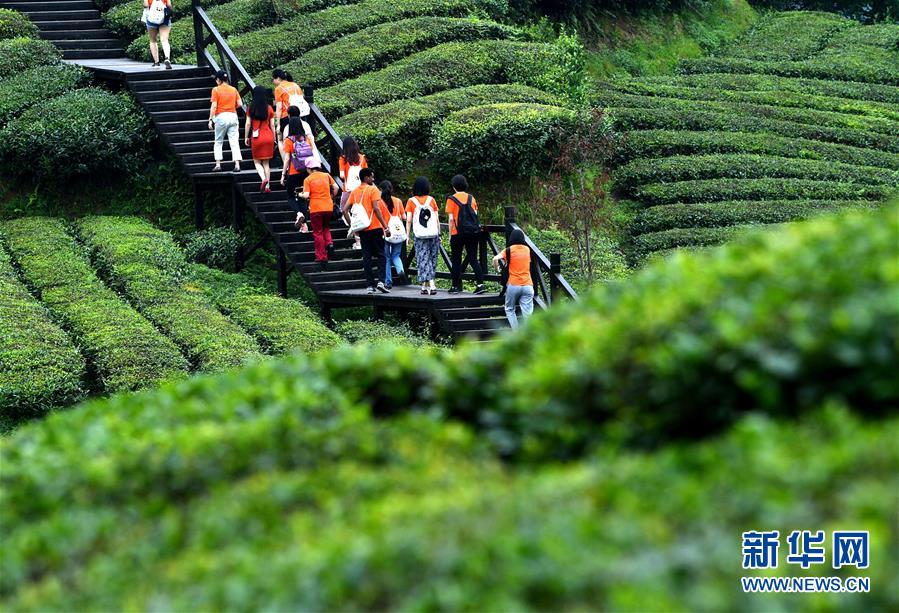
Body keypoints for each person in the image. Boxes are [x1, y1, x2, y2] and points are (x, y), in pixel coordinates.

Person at [342, 168, 390, 294]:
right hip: (374, 227)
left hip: (363, 229)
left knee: (367, 256)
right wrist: (385, 226)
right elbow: (376, 208)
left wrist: (352, 225)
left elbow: (344, 210)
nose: (373, 180)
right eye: (371, 177)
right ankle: (381, 281)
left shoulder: (354, 192)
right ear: (366, 177)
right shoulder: (373, 190)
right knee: (381, 255)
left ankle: (369, 285)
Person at [445, 174, 485, 294]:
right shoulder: (471, 198)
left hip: (457, 233)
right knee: (473, 258)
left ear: (454, 186)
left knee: (456, 259)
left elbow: (451, 219)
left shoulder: (451, 199)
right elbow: (475, 214)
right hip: (473, 232)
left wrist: (450, 234)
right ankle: (480, 285)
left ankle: (455, 286)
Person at [297, 158, 338, 268]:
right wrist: (331, 197)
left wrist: (299, 194)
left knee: (318, 232)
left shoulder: (308, 179)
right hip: (328, 206)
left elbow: (306, 195)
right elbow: (336, 187)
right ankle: (329, 244)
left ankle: (322, 257)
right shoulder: (326, 175)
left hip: (316, 208)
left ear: (309, 168)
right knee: (326, 227)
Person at [405, 176, 440, 295]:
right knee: (432, 258)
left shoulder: (411, 201)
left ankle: (430, 284)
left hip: (420, 235)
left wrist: (407, 235)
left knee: (423, 258)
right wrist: (439, 233)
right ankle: (426, 286)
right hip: (433, 234)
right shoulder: (431, 200)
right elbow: (436, 219)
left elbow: (408, 220)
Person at [492, 228, 534, 329]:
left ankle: (516, 333)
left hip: (513, 284)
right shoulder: (527, 249)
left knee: (510, 309)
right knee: (527, 313)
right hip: (528, 285)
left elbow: (495, 258)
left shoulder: (509, 250)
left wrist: (497, 268)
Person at [281, 115, 316, 230]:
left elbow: (287, 159)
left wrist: (283, 175)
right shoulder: (307, 138)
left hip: (293, 172)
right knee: (302, 197)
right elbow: (311, 154)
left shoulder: (289, 140)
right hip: (306, 172)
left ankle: (298, 214)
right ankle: (304, 226)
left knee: (290, 196)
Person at [208, 70, 243, 172]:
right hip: (233, 115)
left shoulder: (216, 90)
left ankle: (218, 164)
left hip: (221, 116)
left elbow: (214, 106)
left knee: (218, 141)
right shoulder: (233, 89)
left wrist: (210, 119)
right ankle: (237, 165)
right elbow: (240, 104)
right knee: (234, 141)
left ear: (218, 80)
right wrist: (232, 106)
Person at [244, 85, 275, 192]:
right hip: (268, 136)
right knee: (266, 163)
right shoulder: (269, 108)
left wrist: (246, 137)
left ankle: (263, 179)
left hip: (257, 137)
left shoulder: (250, 108)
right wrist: (274, 137)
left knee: (257, 162)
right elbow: (272, 125)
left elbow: (248, 124)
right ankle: (267, 186)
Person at [339, 136, 367, 251]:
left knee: (344, 210)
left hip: (348, 190)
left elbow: (341, 175)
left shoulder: (343, 158)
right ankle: (364, 239)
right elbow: (366, 174)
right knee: (361, 213)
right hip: (361, 190)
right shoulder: (362, 158)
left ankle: (356, 236)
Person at [379, 180, 406, 289]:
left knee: (386, 257)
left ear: (381, 190)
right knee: (395, 255)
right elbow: (404, 217)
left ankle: (388, 282)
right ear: (391, 189)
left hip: (385, 232)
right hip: (398, 232)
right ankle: (400, 270)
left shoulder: (379, 202)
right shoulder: (398, 201)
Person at [272, 69, 304, 144]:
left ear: (278, 78)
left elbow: (279, 107)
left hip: (286, 116)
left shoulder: (279, 89)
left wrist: (278, 124)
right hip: (301, 114)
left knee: (282, 140)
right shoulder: (295, 85)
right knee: (299, 139)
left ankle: (286, 155)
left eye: (273, 79)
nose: (273, 81)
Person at [142, 0, 172, 69]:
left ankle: (156, 62)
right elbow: (169, 5)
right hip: (164, 18)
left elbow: (146, 5)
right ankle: (167, 58)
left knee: (153, 40)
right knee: (164, 40)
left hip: (151, 18)